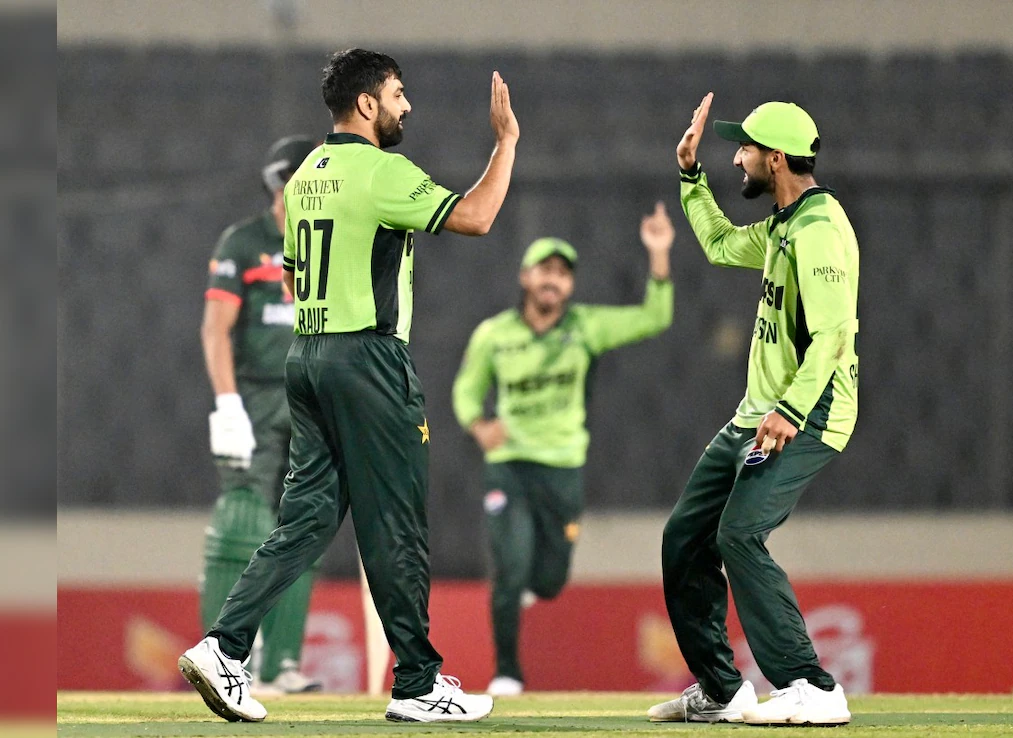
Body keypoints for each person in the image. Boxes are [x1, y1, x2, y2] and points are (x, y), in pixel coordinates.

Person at [178, 48, 519, 724]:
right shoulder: (382, 170)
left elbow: (292, 275)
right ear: (366, 103)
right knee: (397, 523)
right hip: (369, 359)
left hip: (306, 356)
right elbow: (478, 216)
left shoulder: (306, 174)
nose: (406, 105)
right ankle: (418, 684)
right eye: (397, 93)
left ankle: (223, 646)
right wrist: (506, 143)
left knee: (306, 520)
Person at [648, 95, 859, 726]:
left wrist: (790, 411)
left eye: (744, 148)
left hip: (810, 412)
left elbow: (833, 337)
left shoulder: (818, 230)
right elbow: (719, 245)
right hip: (757, 413)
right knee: (685, 538)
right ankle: (721, 689)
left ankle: (812, 686)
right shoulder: (784, 224)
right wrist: (690, 176)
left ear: (776, 158)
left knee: (739, 535)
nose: (736, 158)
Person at [452, 206, 676, 697]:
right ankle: (507, 673)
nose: (553, 280)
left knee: (550, 582)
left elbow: (655, 317)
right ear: (525, 278)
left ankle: (530, 587)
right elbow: (466, 390)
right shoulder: (495, 334)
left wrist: (659, 255)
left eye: (562, 273)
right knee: (509, 569)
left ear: (570, 286)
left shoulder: (586, 327)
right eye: (544, 270)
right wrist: (478, 425)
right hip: (509, 466)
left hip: (562, 469)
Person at [200, 135, 322, 696]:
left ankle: (282, 665)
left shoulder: (331, 238)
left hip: (312, 395)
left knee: (306, 522)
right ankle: (224, 661)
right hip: (253, 399)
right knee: (243, 520)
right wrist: (227, 403)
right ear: (278, 185)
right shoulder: (245, 242)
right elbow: (215, 330)